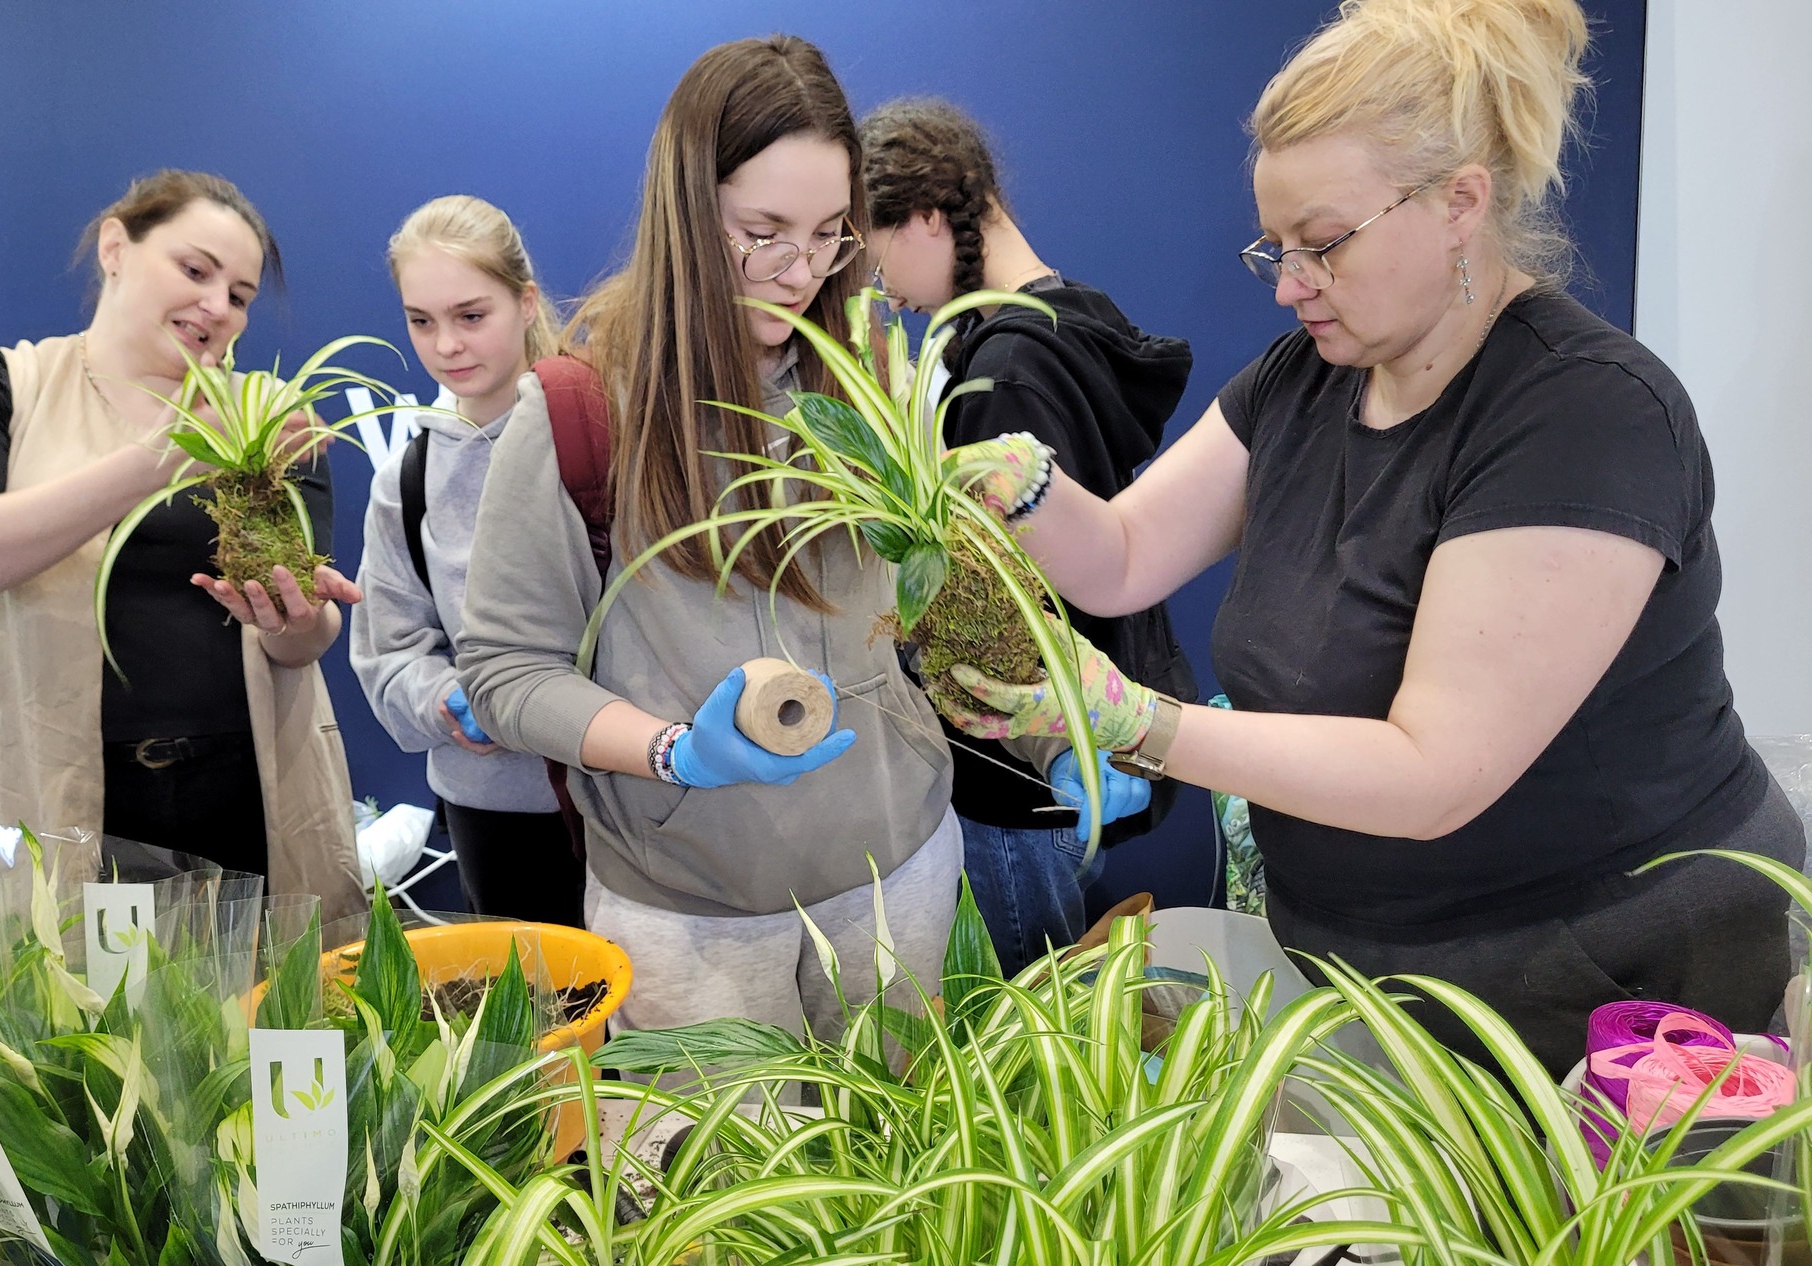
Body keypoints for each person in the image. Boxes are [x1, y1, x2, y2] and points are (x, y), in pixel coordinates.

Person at [944, 0, 1803, 1077]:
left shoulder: (1584, 416)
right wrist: (1025, 485)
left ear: (1458, 203)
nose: (1288, 284)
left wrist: (1138, 723)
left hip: (1602, 994)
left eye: (1322, 244)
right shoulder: (1304, 379)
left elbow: (1432, 772)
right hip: (1374, 971)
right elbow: (1120, 557)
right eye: (1275, 247)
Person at [456, 36, 960, 1045]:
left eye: (828, 234)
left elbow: (918, 602)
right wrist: (677, 754)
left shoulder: (869, 372)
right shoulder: (582, 409)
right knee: (723, 1156)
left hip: (898, 875)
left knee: (909, 1142)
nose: (798, 272)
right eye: (761, 233)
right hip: (691, 919)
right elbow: (507, 671)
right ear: (686, 211)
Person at [0, 170, 365, 915]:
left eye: (240, 295)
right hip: (57, 793)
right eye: (195, 270)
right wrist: (167, 454)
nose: (217, 306)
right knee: (72, 980)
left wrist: (298, 620)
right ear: (115, 247)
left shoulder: (270, 417)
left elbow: (305, 633)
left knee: (263, 983)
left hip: (247, 792)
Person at [861, 97, 1196, 972]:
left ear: (927, 215)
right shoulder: (1068, 324)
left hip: (1017, 770)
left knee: (1024, 1018)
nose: (878, 286)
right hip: (1073, 748)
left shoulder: (1007, 371)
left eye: (872, 249)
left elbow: (1003, 603)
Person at [350, 196, 586, 927]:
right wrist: (448, 700)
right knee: (529, 995)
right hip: (492, 815)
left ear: (525, 302)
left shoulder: (597, 440)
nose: (447, 344)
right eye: (421, 321)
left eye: (471, 315)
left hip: (628, 794)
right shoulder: (407, 480)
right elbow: (388, 653)